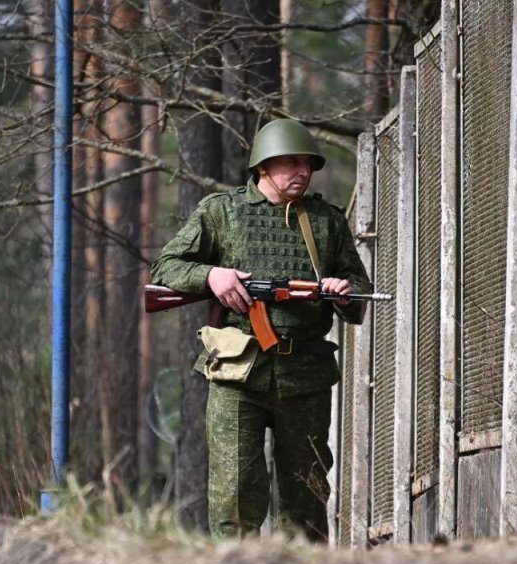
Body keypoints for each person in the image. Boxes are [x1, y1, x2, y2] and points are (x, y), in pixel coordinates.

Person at [151, 118, 370, 542]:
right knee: (234, 491)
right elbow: (167, 267)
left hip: (305, 376)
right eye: (291, 162)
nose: (302, 171)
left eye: (307, 163)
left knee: (305, 492)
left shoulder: (326, 222)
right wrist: (212, 276)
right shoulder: (221, 211)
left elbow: (358, 294)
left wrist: (343, 292)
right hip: (239, 372)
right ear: (264, 166)